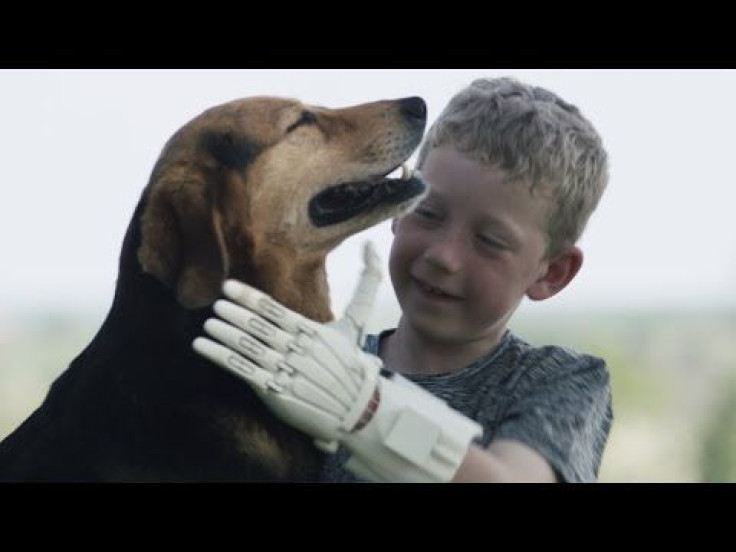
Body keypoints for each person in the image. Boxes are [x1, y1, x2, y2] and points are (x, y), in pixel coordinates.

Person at [193, 76, 613, 483]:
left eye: (488, 241)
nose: (443, 256)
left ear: (552, 274)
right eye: (427, 213)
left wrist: (362, 412)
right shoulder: (304, 368)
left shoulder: (559, 382)